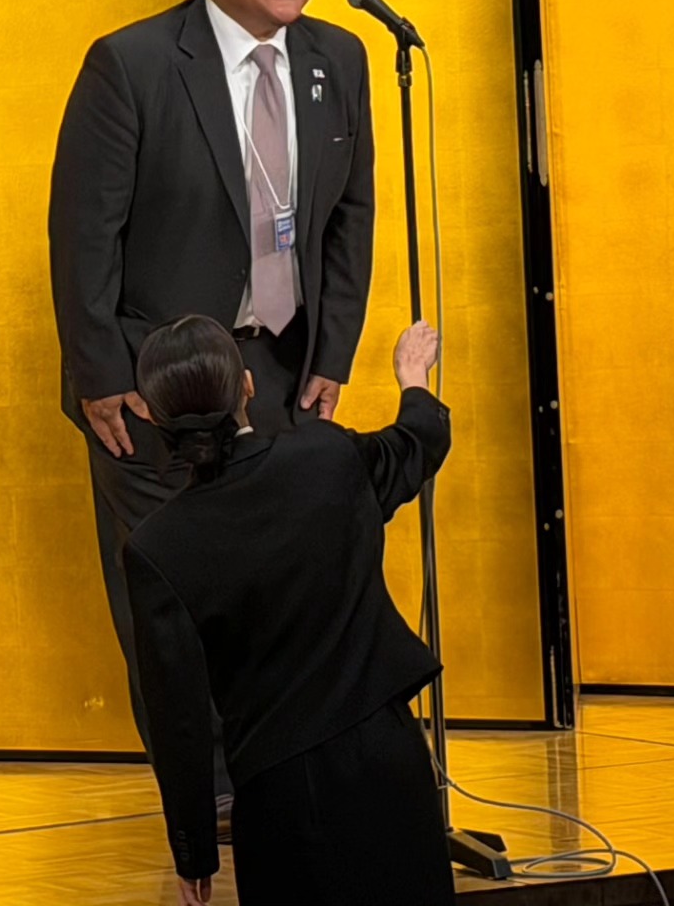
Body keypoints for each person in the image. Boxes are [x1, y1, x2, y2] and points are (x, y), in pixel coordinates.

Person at [48, 0, 375, 817]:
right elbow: (82, 236)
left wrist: (332, 355)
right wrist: (102, 376)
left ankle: (280, 770)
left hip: (279, 368)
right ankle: (210, 793)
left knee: (278, 585)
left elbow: (350, 218)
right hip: (158, 378)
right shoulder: (134, 63)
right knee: (175, 598)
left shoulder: (339, 57)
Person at [126, 314, 455, 906]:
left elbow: (178, 719)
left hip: (277, 796)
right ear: (247, 386)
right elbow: (419, 441)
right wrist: (412, 376)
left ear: (150, 414)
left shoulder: (156, 547)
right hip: (390, 764)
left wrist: (194, 850)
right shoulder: (327, 456)